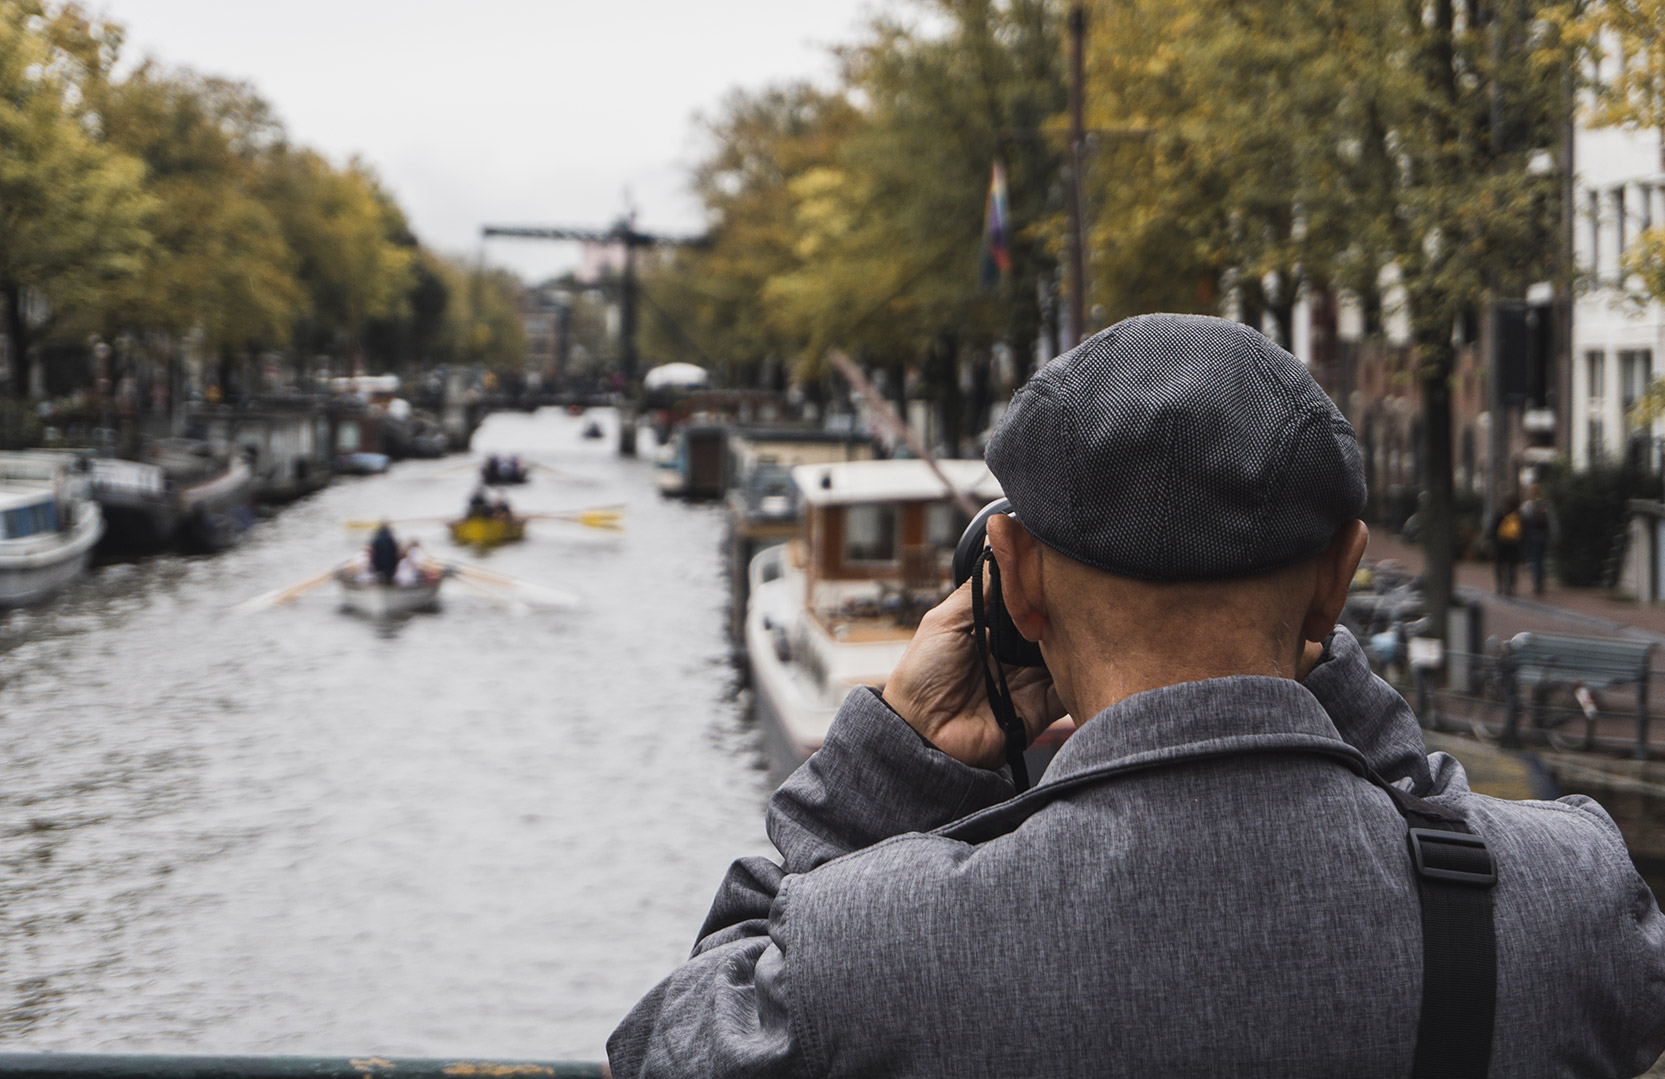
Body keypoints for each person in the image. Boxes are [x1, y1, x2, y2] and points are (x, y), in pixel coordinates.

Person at [608, 314, 1665, 1077]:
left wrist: (879, 772)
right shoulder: (1568, 904)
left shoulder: (871, 951)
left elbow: (664, 1045)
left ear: (1012, 577)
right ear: (1340, 576)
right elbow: (1446, 840)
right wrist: (1324, 664)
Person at [1520, 482, 1555, 595]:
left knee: (1535, 560)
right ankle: (1541, 582)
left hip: (1532, 536)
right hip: (1544, 536)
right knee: (1542, 559)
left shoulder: (1527, 506)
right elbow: (1551, 520)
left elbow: (1522, 521)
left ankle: (1537, 583)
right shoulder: (1545, 504)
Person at [1492, 496, 1524, 596]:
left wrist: (1493, 541)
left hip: (1501, 544)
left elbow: (1493, 528)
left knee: (1499, 565)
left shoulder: (1500, 513)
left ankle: (1499, 586)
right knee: (1512, 566)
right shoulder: (1519, 515)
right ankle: (1510, 587)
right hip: (1513, 545)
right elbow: (1524, 531)